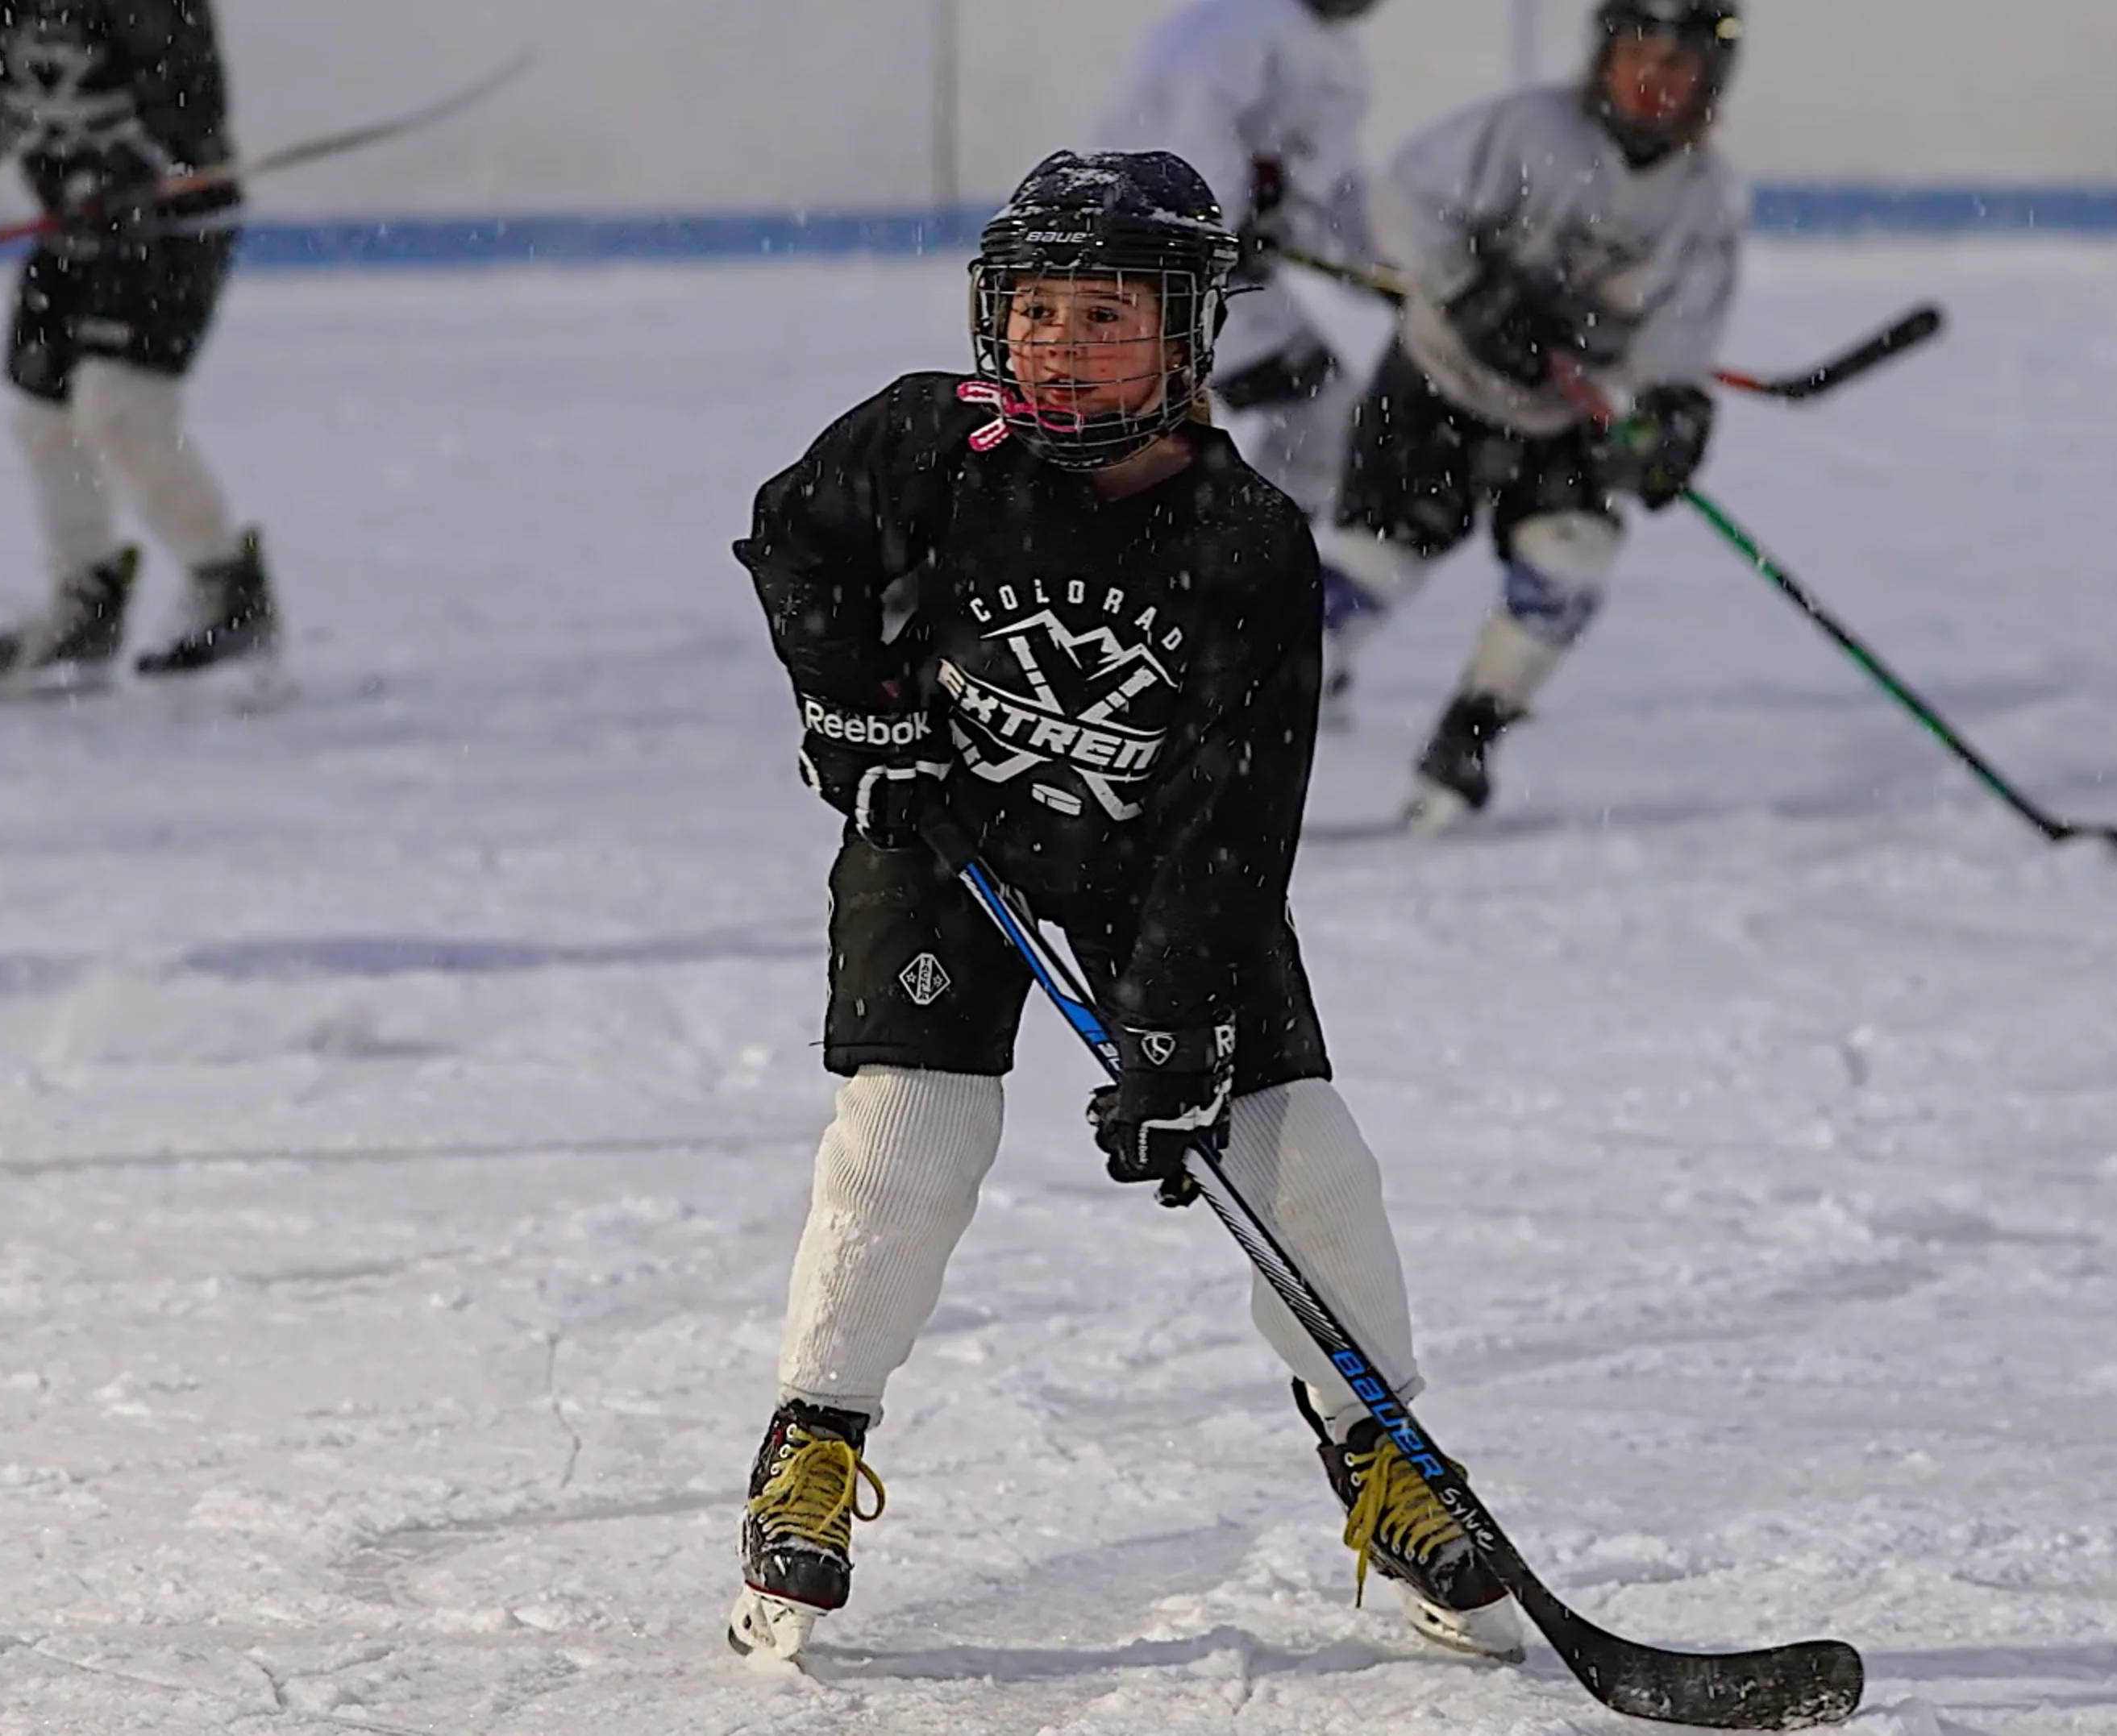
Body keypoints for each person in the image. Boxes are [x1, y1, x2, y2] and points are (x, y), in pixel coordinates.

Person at [723, 149, 1519, 1667]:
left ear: (1188, 335)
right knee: (911, 1129)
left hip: (1159, 867)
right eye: (1037, 311)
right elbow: (798, 541)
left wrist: (1176, 1028)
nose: (1061, 345)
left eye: (1105, 314)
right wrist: (855, 715)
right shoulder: (928, 441)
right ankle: (810, 1440)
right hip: (942, 832)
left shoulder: (1248, 545)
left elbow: (1232, 821)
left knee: (1307, 1155)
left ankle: (1382, 1454)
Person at [1319, 0, 1746, 829]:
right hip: (1437, 385)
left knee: (1572, 563)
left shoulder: (1705, 197)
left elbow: (1676, 343)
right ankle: (1231, 743)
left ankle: (1466, 741)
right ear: (1604, 55)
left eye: (1678, 64)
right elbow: (1404, 201)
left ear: (1710, 79)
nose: (1655, 80)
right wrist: (1471, 293)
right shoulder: (1527, 129)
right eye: (1639, 55)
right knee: (1369, 573)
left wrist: (1673, 418)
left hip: (1563, 417)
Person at [0, 0, 281, 699]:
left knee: (120, 407)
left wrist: (141, 176)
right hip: (73, 226)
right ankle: (84, 596)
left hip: (170, 225)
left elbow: (190, 99)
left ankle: (226, 588)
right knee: (44, 413)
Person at [1095, 0, 1383, 518]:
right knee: (1312, 408)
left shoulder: (1331, 50)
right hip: (1151, 263)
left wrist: (1384, 263)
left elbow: (1329, 182)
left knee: (1322, 412)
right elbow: (1190, 131)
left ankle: (1253, 556)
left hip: (1211, 275)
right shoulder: (1235, 25)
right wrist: (1217, 224)